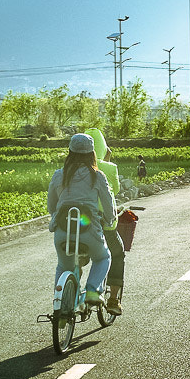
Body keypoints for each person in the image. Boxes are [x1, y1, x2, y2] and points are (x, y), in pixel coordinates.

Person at [47, 133, 114, 307]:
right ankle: (92, 290)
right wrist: (110, 219)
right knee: (103, 257)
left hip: (63, 231)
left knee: (64, 266)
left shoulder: (58, 175)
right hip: (89, 230)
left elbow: (51, 206)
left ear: (69, 152)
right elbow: (108, 205)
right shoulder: (97, 176)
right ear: (92, 153)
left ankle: (61, 308)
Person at [86, 128, 126, 314]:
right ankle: (112, 300)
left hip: (78, 223)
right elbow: (114, 191)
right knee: (117, 254)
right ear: (103, 148)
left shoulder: (71, 168)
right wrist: (107, 161)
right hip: (103, 224)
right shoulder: (109, 168)